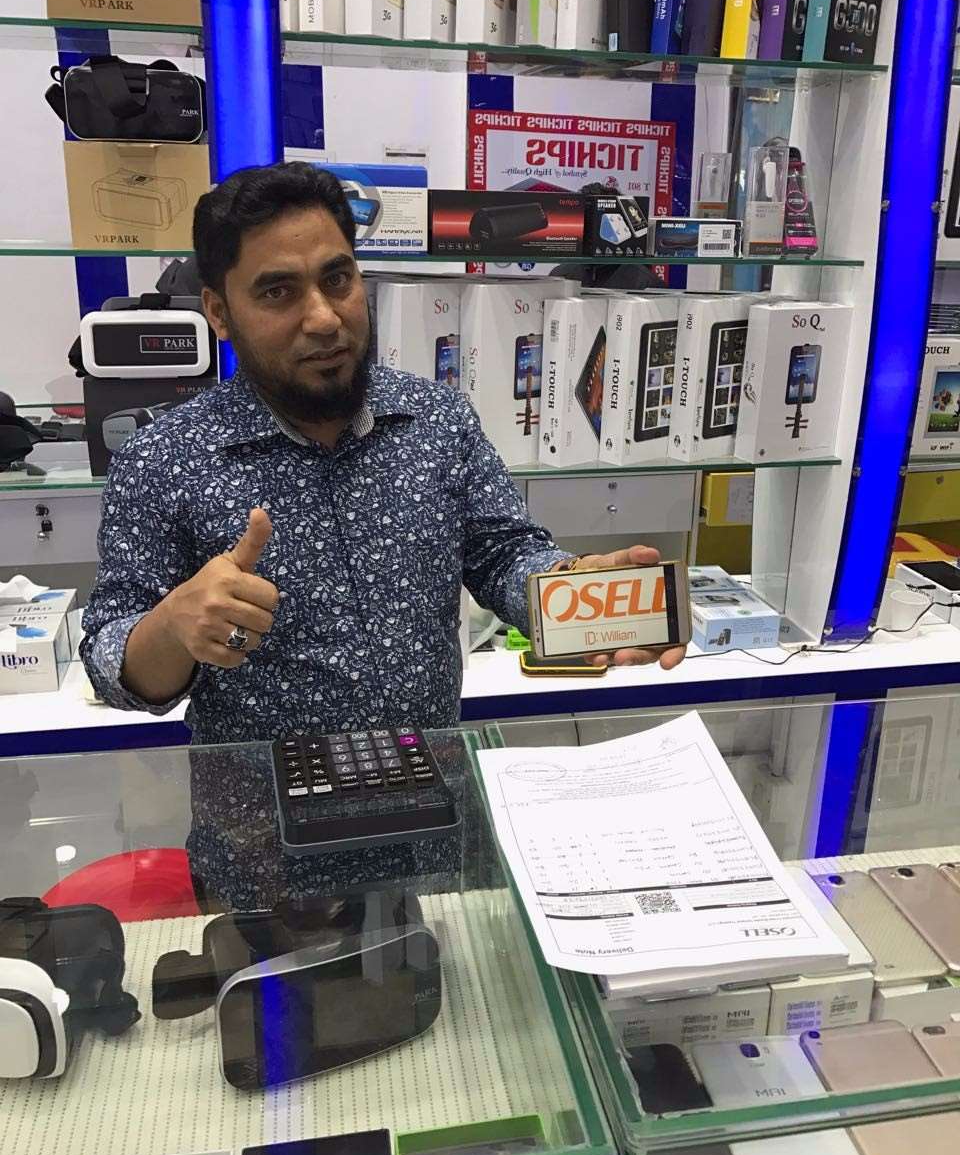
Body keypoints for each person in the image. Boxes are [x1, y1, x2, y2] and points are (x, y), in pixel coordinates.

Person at [81, 161, 685, 749]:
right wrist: (174, 625)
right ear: (219, 312)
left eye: (337, 279)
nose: (323, 318)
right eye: (278, 292)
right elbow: (112, 665)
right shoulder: (164, 459)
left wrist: (580, 592)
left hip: (431, 791)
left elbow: (503, 556)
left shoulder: (437, 419)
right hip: (260, 810)